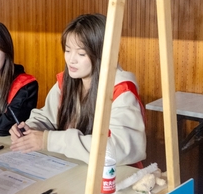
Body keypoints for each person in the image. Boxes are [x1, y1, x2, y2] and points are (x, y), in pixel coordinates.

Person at [9, 14, 146, 165]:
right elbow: (46, 117)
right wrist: (30, 130)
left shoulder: (121, 90)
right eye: (68, 50)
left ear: (102, 54)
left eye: (81, 53)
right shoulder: (66, 81)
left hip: (114, 174)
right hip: (76, 167)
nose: (71, 60)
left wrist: (48, 140)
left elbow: (120, 149)